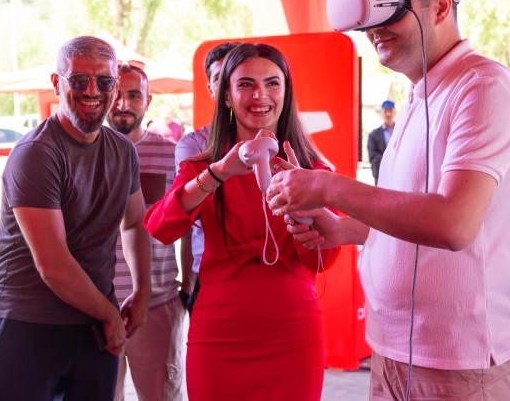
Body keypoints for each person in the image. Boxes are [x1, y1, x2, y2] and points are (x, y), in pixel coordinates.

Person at [266, 0, 510, 399]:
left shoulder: (482, 86)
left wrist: (328, 187)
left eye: (387, 10)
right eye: (368, 19)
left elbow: (453, 223)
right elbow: (412, 213)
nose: (374, 30)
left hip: (456, 365)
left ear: (441, 5)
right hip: (392, 351)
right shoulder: (419, 96)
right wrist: (345, 229)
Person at [145, 43, 340, 400]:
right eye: (246, 84)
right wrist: (217, 173)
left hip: (293, 331)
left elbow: (322, 260)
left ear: (286, 92)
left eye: (272, 83)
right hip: (218, 332)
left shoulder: (314, 170)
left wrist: (304, 207)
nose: (260, 95)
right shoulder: (201, 167)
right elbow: (160, 228)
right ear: (227, 96)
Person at [0, 36, 152, 401]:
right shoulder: (36, 152)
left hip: (92, 324)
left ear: (115, 85)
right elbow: (54, 265)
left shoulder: (123, 150)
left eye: (103, 81)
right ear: (57, 84)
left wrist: (141, 291)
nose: (92, 91)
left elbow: (135, 223)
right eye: (78, 80)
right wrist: (110, 315)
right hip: (28, 323)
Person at [107, 61, 188, 401]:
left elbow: (187, 224)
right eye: (116, 94)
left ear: (148, 101)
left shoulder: (172, 155)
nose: (123, 104)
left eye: (134, 95)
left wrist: (189, 287)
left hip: (157, 301)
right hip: (96, 304)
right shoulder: (83, 153)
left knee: (162, 396)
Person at [175, 41, 240, 315]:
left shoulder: (281, 140)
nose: (227, 86)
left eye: (236, 77)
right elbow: (184, 214)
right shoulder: (193, 145)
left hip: (272, 273)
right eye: (218, 78)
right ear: (211, 88)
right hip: (212, 274)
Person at [367, 100, 396, 184]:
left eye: (390, 110)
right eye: (385, 111)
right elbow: (372, 156)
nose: (388, 114)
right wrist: (390, 159)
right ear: (381, 113)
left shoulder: (401, 132)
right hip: (380, 176)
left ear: (394, 112)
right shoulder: (373, 135)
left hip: (398, 175)